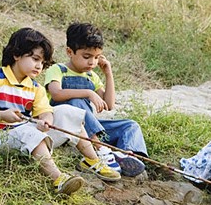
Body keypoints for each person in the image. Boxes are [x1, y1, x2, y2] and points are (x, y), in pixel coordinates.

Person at [0, 27, 121, 196]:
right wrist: (2, 115)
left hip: (28, 138)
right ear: (17, 55)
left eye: (42, 62)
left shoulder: (35, 88)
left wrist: (45, 120)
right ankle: (58, 179)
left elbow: (46, 111)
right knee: (27, 131)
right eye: (35, 59)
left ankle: (92, 160)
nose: (39, 66)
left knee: (67, 111)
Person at [45, 22, 148, 177]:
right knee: (77, 104)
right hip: (67, 125)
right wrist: (87, 93)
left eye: (96, 57)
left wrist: (108, 73)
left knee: (130, 126)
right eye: (87, 57)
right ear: (69, 52)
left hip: (91, 127)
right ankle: (100, 149)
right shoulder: (58, 70)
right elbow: (56, 94)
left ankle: (126, 156)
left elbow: (109, 105)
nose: (92, 62)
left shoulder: (91, 76)